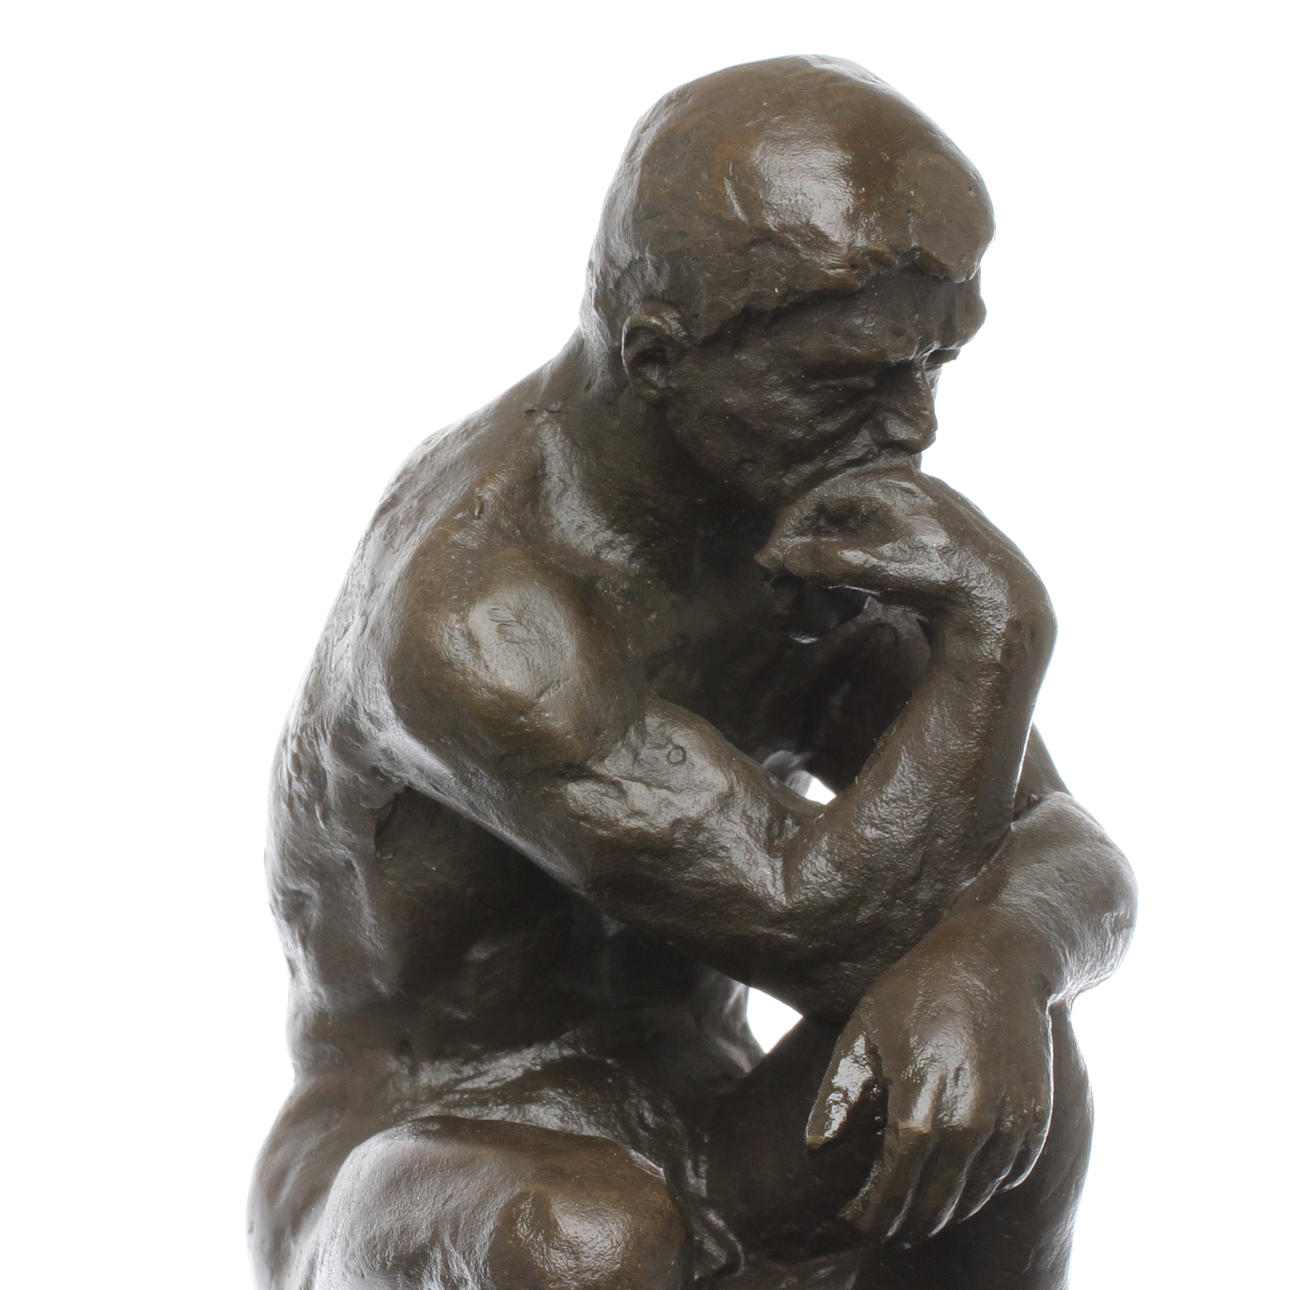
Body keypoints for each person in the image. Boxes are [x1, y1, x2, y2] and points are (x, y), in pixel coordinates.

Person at [249, 56, 1135, 1290]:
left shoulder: (813, 520)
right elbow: (818, 924)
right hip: (433, 1159)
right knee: (586, 1240)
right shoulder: (478, 608)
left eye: (935, 363)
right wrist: (1001, 633)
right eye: (852, 381)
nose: (918, 426)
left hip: (698, 1131)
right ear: (658, 358)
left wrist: (1008, 949)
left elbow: (1064, 845)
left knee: (996, 1058)